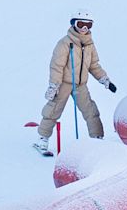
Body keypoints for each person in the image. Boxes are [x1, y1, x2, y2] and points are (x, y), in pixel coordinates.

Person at [32, 14, 116, 155]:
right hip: (64, 83)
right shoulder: (65, 43)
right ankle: (43, 139)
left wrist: (104, 80)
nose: (84, 28)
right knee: (54, 109)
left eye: (88, 25)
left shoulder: (89, 44)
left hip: (80, 85)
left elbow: (94, 65)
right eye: (81, 24)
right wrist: (54, 85)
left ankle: (97, 138)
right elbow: (56, 66)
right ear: (73, 24)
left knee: (91, 111)